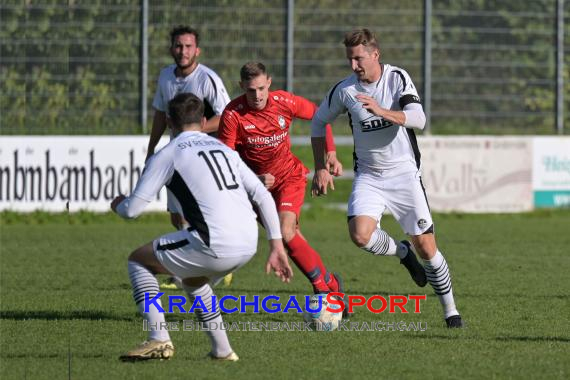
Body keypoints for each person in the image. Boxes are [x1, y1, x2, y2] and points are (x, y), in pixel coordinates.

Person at [112, 93, 293, 362]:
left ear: (170, 123)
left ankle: (158, 338)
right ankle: (223, 351)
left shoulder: (168, 154)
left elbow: (132, 210)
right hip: (248, 243)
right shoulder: (224, 150)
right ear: (205, 121)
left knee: (139, 261)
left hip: (214, 242)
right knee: (193, 280)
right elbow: (263, 195)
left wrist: (118, 203)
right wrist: (276, 244)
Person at [310, 29, 463, 328]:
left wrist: (383, 110)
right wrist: (321, 166)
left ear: (375, 54)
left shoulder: (396, 78)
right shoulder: (345, 90)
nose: (354, 65)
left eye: (359, 58)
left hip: (404, 174)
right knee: (360, 235)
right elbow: (318, 121)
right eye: (350, 59)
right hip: (369, 175)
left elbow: (419, 119)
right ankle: (402, 252)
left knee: (428, 249)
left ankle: (450, 311)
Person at [218, 62, 345, 296]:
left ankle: (323, 292)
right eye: (250, 90)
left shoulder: (284, 102)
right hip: (256, 189)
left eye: (261, 89)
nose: (256, 96)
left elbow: (320, 116)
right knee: (289, 238)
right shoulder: (232, 114)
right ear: (241, 87)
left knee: (285, 232)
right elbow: (225, 162)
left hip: (289, 177)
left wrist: (331, 155)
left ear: (269, 83)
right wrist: (254, 179)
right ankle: (332, 284)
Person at [146, 25, 231, 231]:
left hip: (201, 155)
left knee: (197, 213)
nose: (183, 51)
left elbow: (227, 116)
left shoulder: (207, 79)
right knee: (177, 217)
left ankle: (204, 254)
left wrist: (193, 130)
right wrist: (151, 149)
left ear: (197, 50)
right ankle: (193, 255)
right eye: (178, 46)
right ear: (171, 49)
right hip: (175, 153)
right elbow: (160, 114)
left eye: (188, 46)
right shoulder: (165, 75)